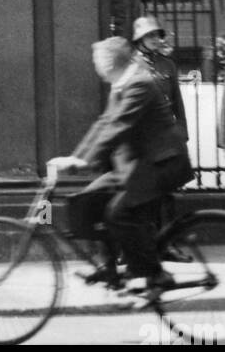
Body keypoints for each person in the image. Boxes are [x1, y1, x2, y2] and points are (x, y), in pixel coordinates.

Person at [48, 36, 193, 297]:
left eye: (96, 61)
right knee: (90, 199)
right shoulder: (121, 85)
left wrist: (83, 160)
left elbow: (120, 125)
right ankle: (111, 269)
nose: (95, 66)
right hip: (137, 165)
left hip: (162, 164)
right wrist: (76, 158)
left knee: (118, 213)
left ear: (108, 63)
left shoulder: (140, 84)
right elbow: (104, 123)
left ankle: (157, 275)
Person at [131, 15, 188, 138]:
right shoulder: (129, 64)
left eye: (158, 35)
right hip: (140, 135)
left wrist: (182, 131)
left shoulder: (167, 64)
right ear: (140, 38)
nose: (156, 39)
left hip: (166, 133)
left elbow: (177, 101)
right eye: (150, 35)